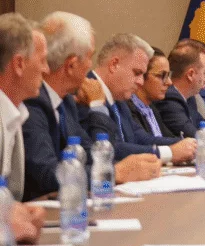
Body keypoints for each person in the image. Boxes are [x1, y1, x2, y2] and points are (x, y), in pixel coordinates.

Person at [23, 12, 161, 201]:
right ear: (71, 65)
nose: (91, 66)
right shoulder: (34, 100)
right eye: (90, 57)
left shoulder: (66, 101)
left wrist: (124, 168)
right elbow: (46, 173)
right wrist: (115, 172)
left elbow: (91, 151)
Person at [84, 34, 196, 163]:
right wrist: (169, 152)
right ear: (114, 64)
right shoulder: (85, 94)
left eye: (142, 75)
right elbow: (109, 148)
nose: (141, 82)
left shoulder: (119, 99)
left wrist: (190, 145)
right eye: (137, 73)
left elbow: (142, 139)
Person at [0, 13, 47, 242]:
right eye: (42, 60)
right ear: (19, 64)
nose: (47, 70)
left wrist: (21, 212)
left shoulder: (15, 113)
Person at [154, 39, 205, 138]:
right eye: (204, 72)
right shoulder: (169, 99)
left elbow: (204, 125)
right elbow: (192, 134)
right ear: (191, 74)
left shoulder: (189, 98)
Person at [127, 47, 179, 138]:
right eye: (162, 75)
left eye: (168, 75)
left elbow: (169, 139)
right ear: (141, 75)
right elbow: (146, 142)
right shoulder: (128, 110)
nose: (169, 82)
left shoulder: (152, 108)